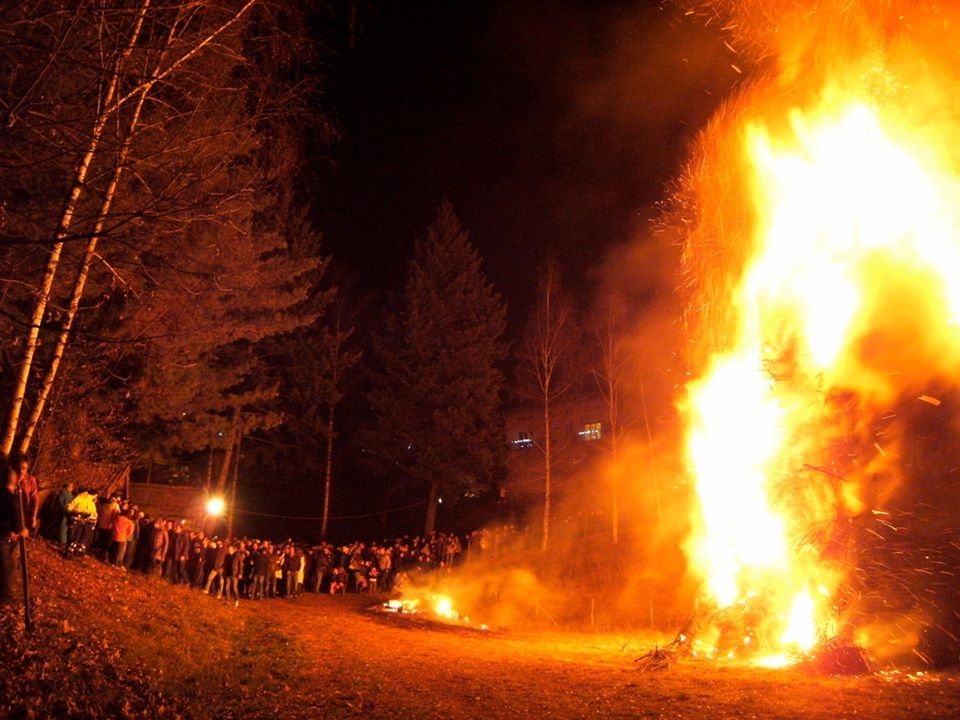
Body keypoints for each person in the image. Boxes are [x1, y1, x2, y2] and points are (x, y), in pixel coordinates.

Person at [1, 461, 28, 604]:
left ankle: (7, 596)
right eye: (21, 469)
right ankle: (5, 597)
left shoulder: (17, 492)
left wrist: (20, 529)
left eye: (25, 469)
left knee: (10, 568)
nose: (23, 473)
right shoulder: (4, 493)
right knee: (4, 569)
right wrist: (11, 529)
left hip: (13, 537)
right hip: (3, 537)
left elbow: (18, 514)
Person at [9, 454, 39, 535]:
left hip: (22, 517)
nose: (21, 471)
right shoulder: (8, 478)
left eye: (24, 469)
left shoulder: (30, 481)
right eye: (19, 468)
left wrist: (33, 516)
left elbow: (35, 499)